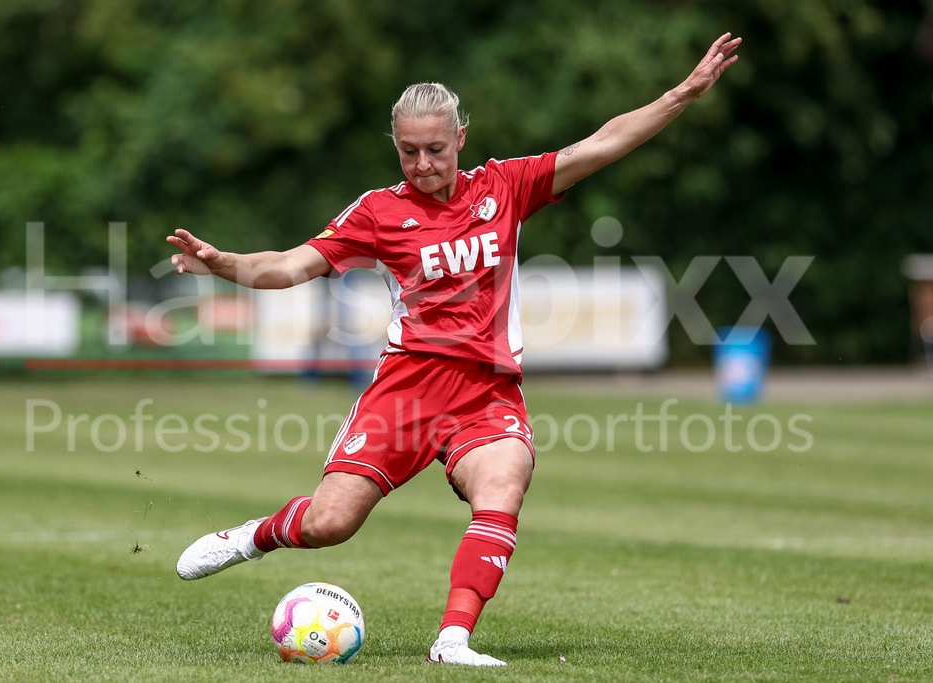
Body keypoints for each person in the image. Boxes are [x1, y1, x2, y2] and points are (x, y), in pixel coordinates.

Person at [167, 32, 740, 666]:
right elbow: (288, 265)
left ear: (460, 139)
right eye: (409, 151)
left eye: (435, 149)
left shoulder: (505, 188)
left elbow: (604, 144)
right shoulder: (378, 213)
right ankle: (252, 536)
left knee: (504, 481)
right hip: (406, 388)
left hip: (486, 389)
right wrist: (226, 265)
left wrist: (682, 94)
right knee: (330, 524)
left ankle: (453, 639)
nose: (423, 164)